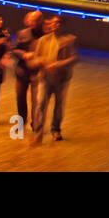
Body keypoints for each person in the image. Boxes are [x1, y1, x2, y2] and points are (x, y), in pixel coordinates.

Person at [32, 14, 76, 142]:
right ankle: (38, 132)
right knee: (40, 104)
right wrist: (42, 62)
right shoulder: (43, 40)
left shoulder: (68, 40)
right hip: (45, 77)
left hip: (61, 79)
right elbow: (36, 58)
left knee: (58, 105)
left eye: (57, 23)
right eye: (52, 23)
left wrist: (58, 64)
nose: (53, 25)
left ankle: (56, 129)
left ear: (62, 25)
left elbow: (74, 58)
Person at [10, 11, 45, 129]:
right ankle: (22, 121)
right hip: (22, 72)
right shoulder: (22, 33)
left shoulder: (46, 36)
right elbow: (14, 50)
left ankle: (36, 123)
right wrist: (24, 54)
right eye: (30, 20)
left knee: (36, 100)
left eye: (34, 20)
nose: (31, 23)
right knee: (20, 97)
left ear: (41, 21)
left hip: (38, 72)